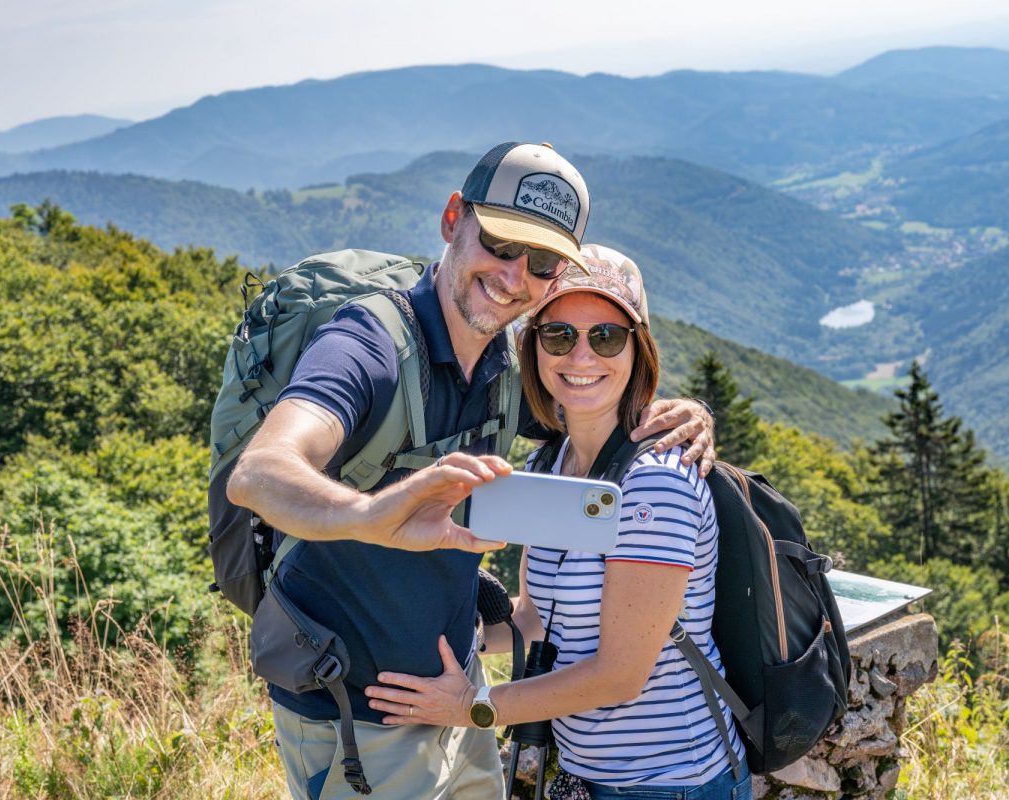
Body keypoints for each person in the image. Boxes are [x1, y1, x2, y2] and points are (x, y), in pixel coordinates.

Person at [226, 143, 718, 800]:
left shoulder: (501, 372)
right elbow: (260, 472)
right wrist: (368, 515)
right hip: (360, 723)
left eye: (542, 262)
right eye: (500, 244)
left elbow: (596, 397)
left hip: (458, 707)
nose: (515, 275)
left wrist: (687, 411)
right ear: (453, 217)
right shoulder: (367, 347)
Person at [365, 245, 753, 800]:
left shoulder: (657, 483)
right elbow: (535, 619)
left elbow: (620, 674)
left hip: (673, 780)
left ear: (637, 350)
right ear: (535, 349)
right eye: (559, 336)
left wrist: (471, 708)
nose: (581, 356)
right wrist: (429, 641)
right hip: (592, 778)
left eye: (607, 336)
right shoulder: (552, 462)